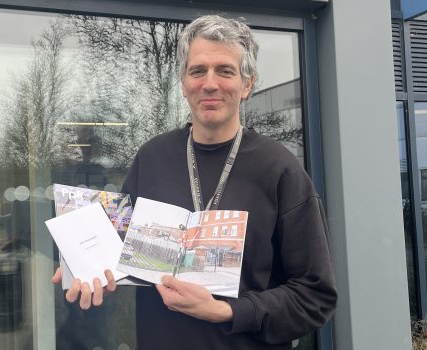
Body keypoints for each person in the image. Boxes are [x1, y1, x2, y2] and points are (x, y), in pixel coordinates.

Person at [52, 15, 337, 349]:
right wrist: (83, 265)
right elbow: (117, 248)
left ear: (247, 84)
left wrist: (226, 311)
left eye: (225, 70)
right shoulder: (152, 158)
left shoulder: (280, 170)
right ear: (184, 83)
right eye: (198, 70)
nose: (210, 83)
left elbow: (315, 296)